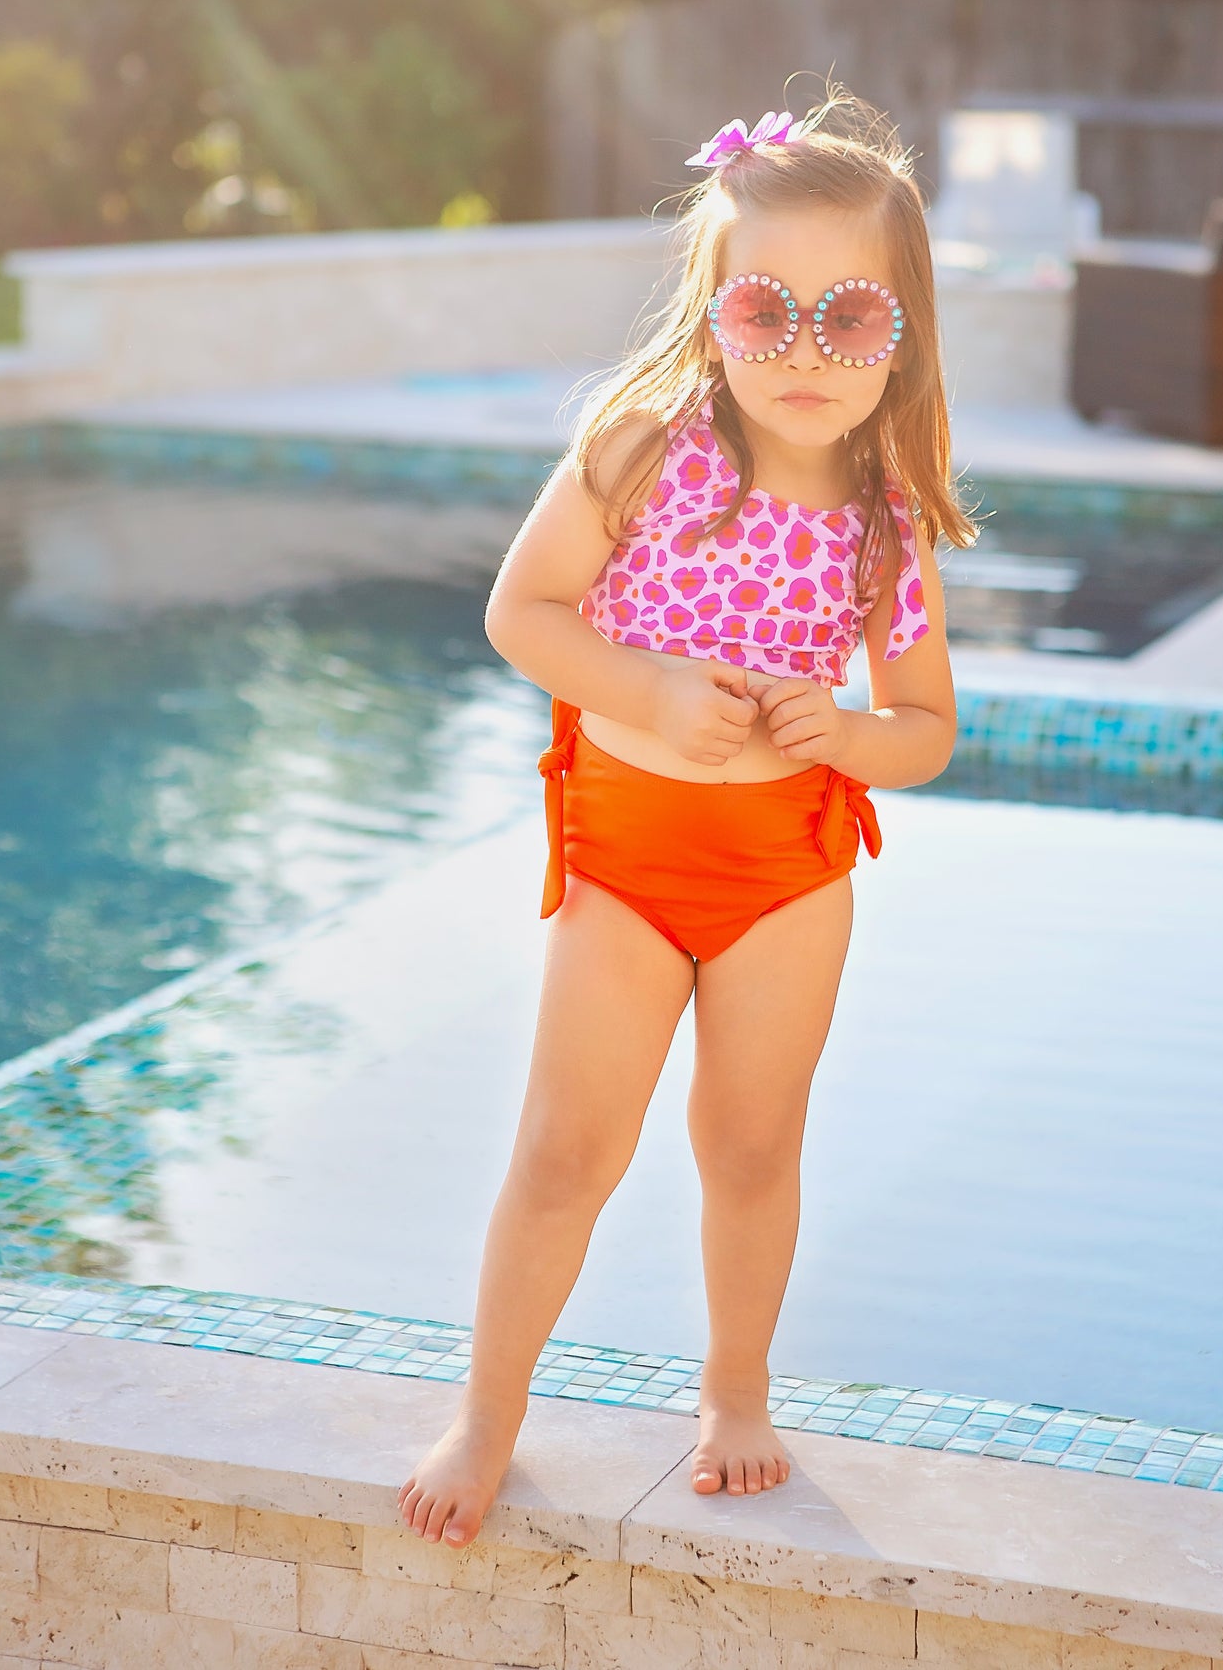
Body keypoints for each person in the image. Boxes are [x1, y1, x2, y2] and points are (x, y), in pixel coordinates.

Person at [398, 84, 975, 1548]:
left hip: (787, 874)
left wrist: (845, 731)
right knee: (564, 1150)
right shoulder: (643, 450)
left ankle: (732, 1391)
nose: (799, 350)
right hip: (632, 865)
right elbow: (521, 614)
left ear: (900, 329)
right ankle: (487, 1412)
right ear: (711, 307)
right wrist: (649, 694)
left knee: (752, 1144)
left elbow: (925, 733)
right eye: (762, 309)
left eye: (846, 319)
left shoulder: (883, 518)